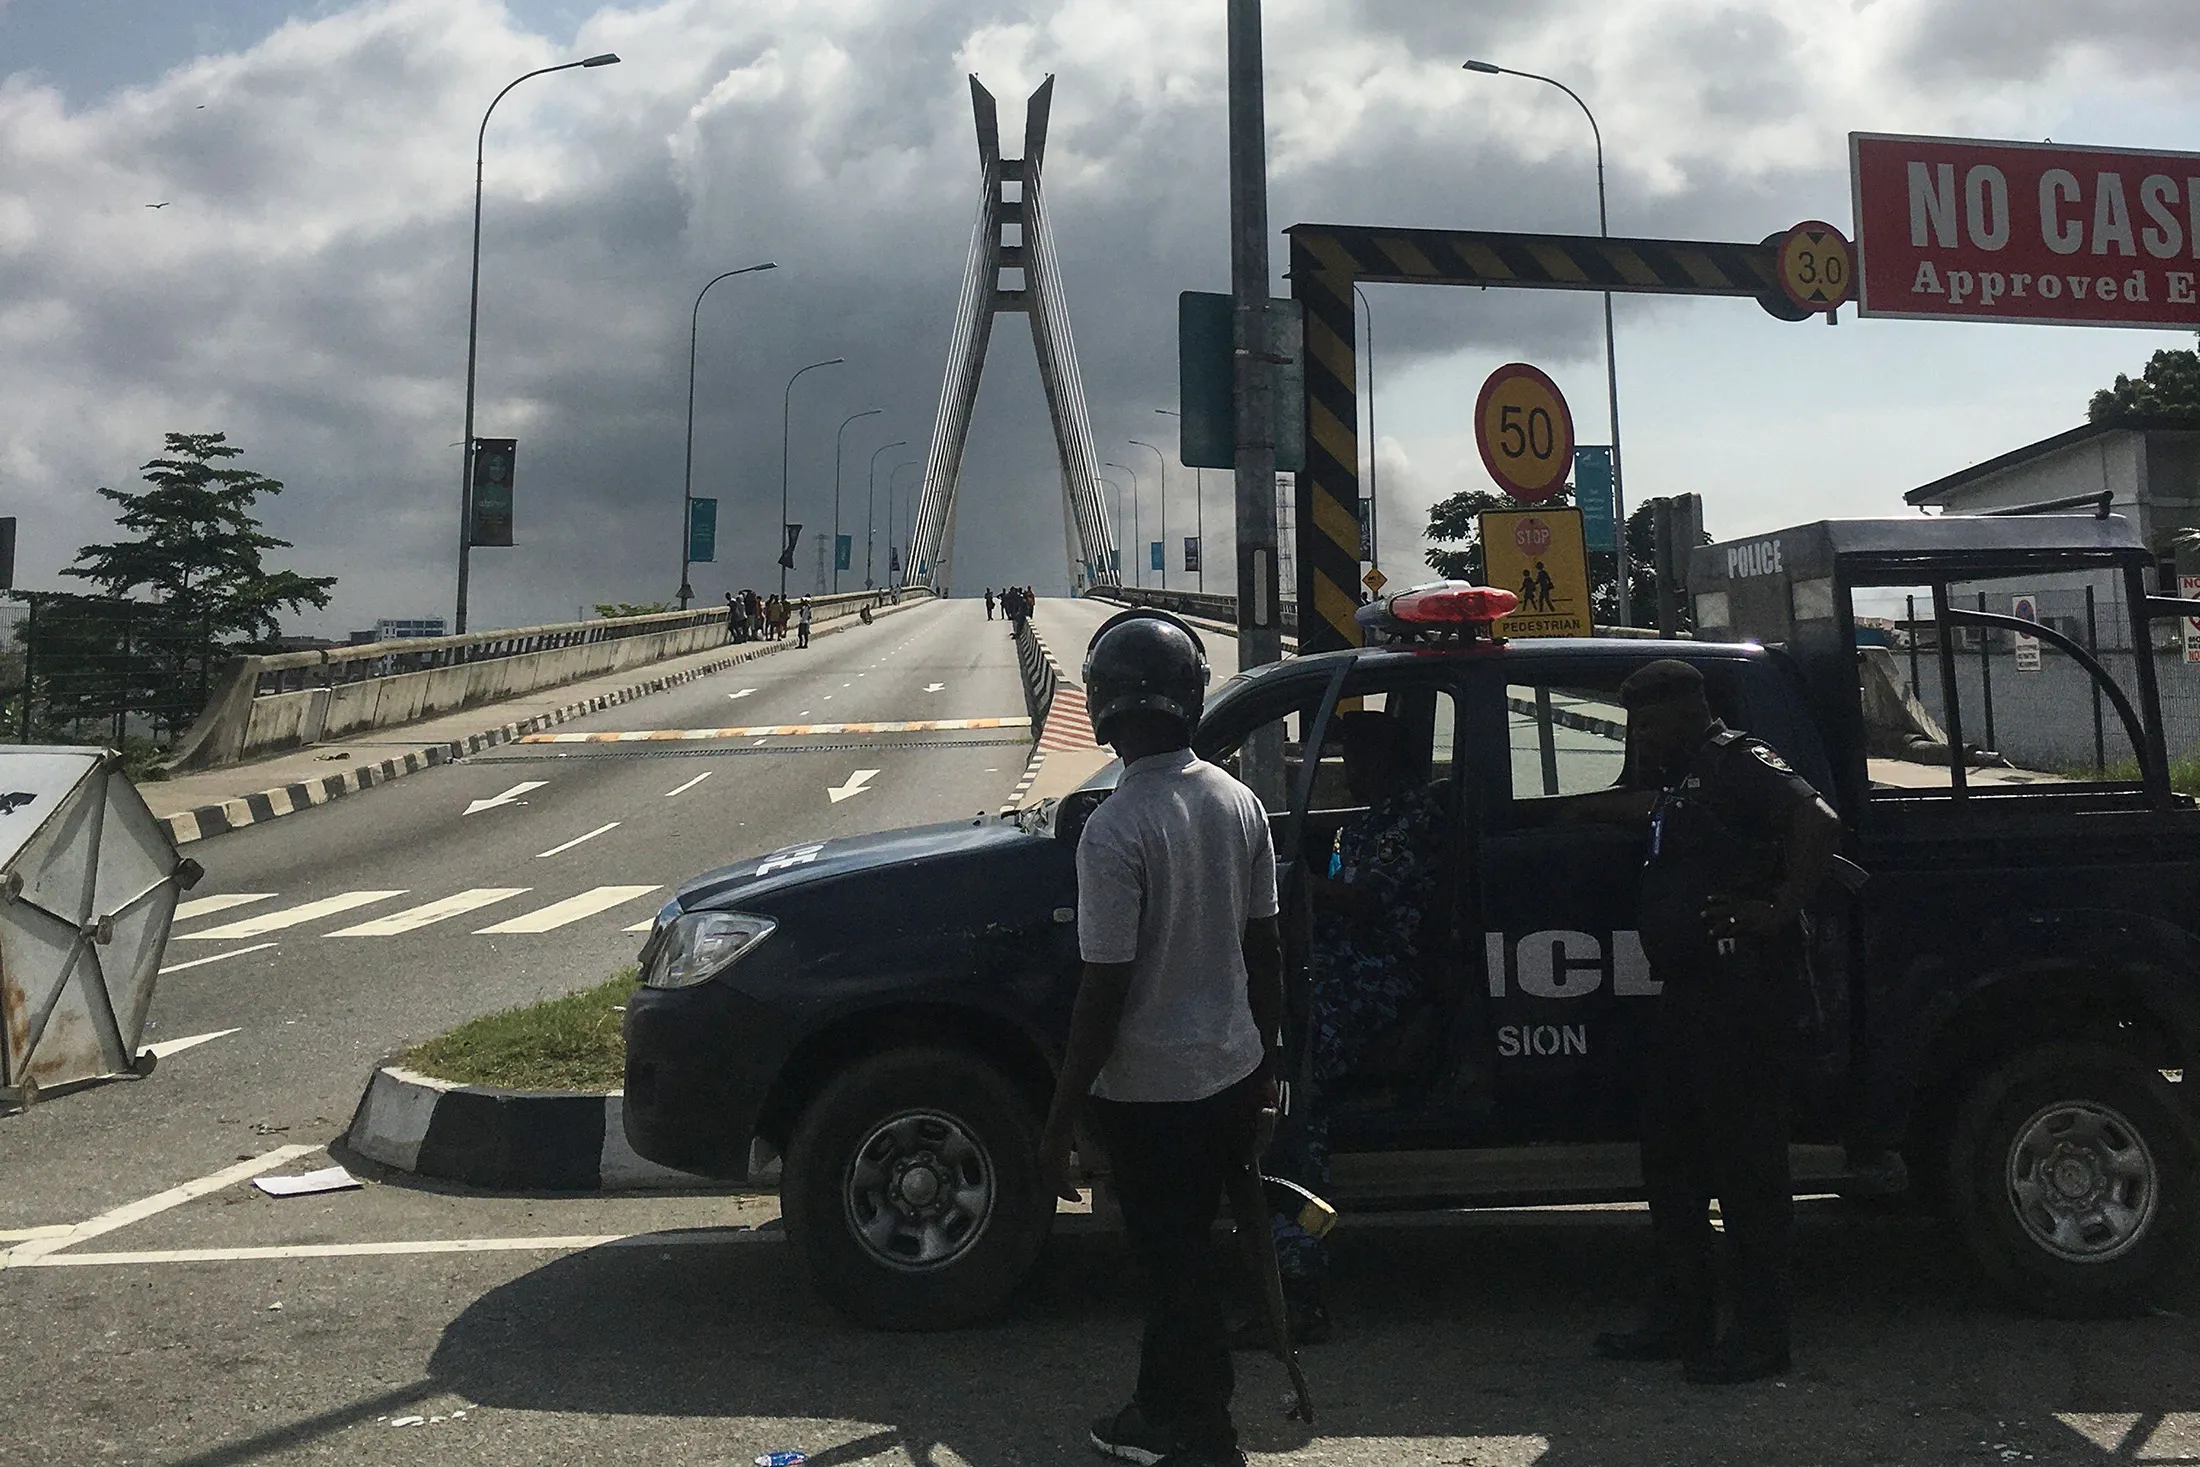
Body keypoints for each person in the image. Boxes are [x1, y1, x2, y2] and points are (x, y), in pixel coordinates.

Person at [1039, 609, 1284, 1467]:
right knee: (1191, 1252)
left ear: (1102, 706)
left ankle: (1205, 1433)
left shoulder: (1113, 828)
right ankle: (1155, 1407)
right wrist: (1270, 1064)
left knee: (1172, 1264)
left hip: (1150, 1092)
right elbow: (1265, 947)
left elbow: (1103, 987)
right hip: (1229, 1069)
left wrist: (1062, 1115)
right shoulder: (1239, 800)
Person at [1586, 659, 1840, 1385]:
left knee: (1748, 1171)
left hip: (1741, 996)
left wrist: (1778, 907)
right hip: (1690, 996)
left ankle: (1762, 1335)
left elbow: (1818, 819)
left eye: (1646, 721)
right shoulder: (1686, 772)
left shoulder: (1738, 761)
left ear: (1685, 711)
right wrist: (1579, 808)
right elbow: (1656, 811)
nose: (1638, 734)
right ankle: (1681, 1317)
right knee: (1671, 1163)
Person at [1257, 710, 1448, 1344]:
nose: (1349, 772)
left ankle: (1300, 1281)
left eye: (1358, 760)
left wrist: (1285, 884)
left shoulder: (1408, 821)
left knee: (1294, 1097)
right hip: (1346, 969)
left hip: (1382, 979)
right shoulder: (1367, 822)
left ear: (1387, 764)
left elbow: (1365, 899)